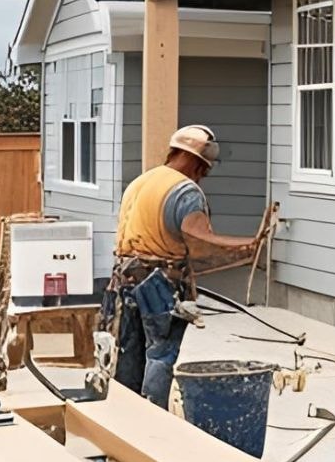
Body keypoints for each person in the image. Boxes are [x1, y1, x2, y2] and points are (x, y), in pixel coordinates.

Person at [104, 125, 267, 407]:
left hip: (123, 279)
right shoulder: (185, 192)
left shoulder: (141, 182)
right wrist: (250, 247)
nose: (205, 173)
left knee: (127, 354)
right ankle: (155, 421)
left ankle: (124, 420)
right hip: (160, 284)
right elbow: (200, 241)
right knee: (160, 353)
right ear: (195, 160)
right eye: (205, 167)